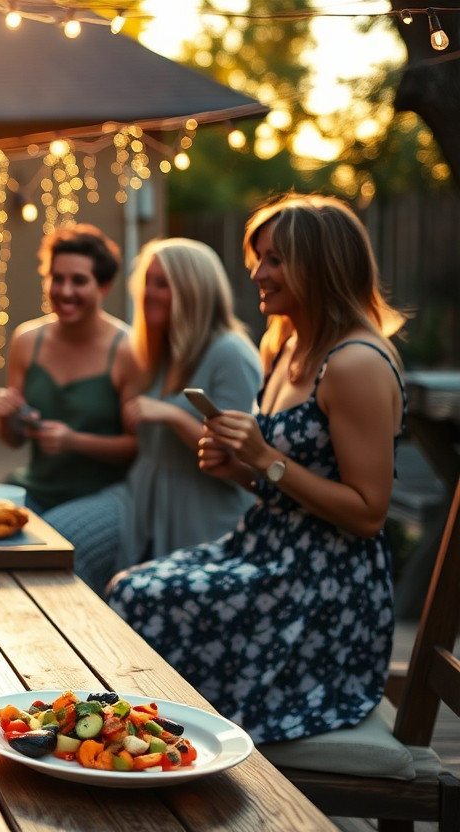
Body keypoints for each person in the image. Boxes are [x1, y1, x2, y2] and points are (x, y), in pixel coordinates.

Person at [106, 194, 406, 745]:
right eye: (258, 257)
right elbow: (278, 487)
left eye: (274, 259)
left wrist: (265, 459)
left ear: (319, 266)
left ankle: (172, 751)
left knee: (142, 598)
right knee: (132, 586)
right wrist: (235, 468)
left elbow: (368, 515)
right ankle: (151, 748)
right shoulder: (288, 347)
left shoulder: (355, 363)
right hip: (262, 550)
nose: (256, 272)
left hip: (323, 585)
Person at [40, 239, 261, 591]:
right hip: (139, 496)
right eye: (146, 283)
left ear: (194, 291)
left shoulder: (230, 353)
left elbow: (236, 456)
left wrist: (171, 415)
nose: (148, 294)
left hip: (202, 508)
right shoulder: (158, 349)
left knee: (140, 596)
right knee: (57, 538)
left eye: (163, 284)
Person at [0, 224, 140, 512]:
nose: (65, 291)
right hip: (34, 488)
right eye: (56, 279)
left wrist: (74, 441)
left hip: (104, 497)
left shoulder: (127, 349)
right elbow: (13, 440)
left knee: (48, 546)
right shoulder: (26, 340)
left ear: (104, 286)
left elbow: (138, 448)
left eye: (79, 281)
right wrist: (6, 416)